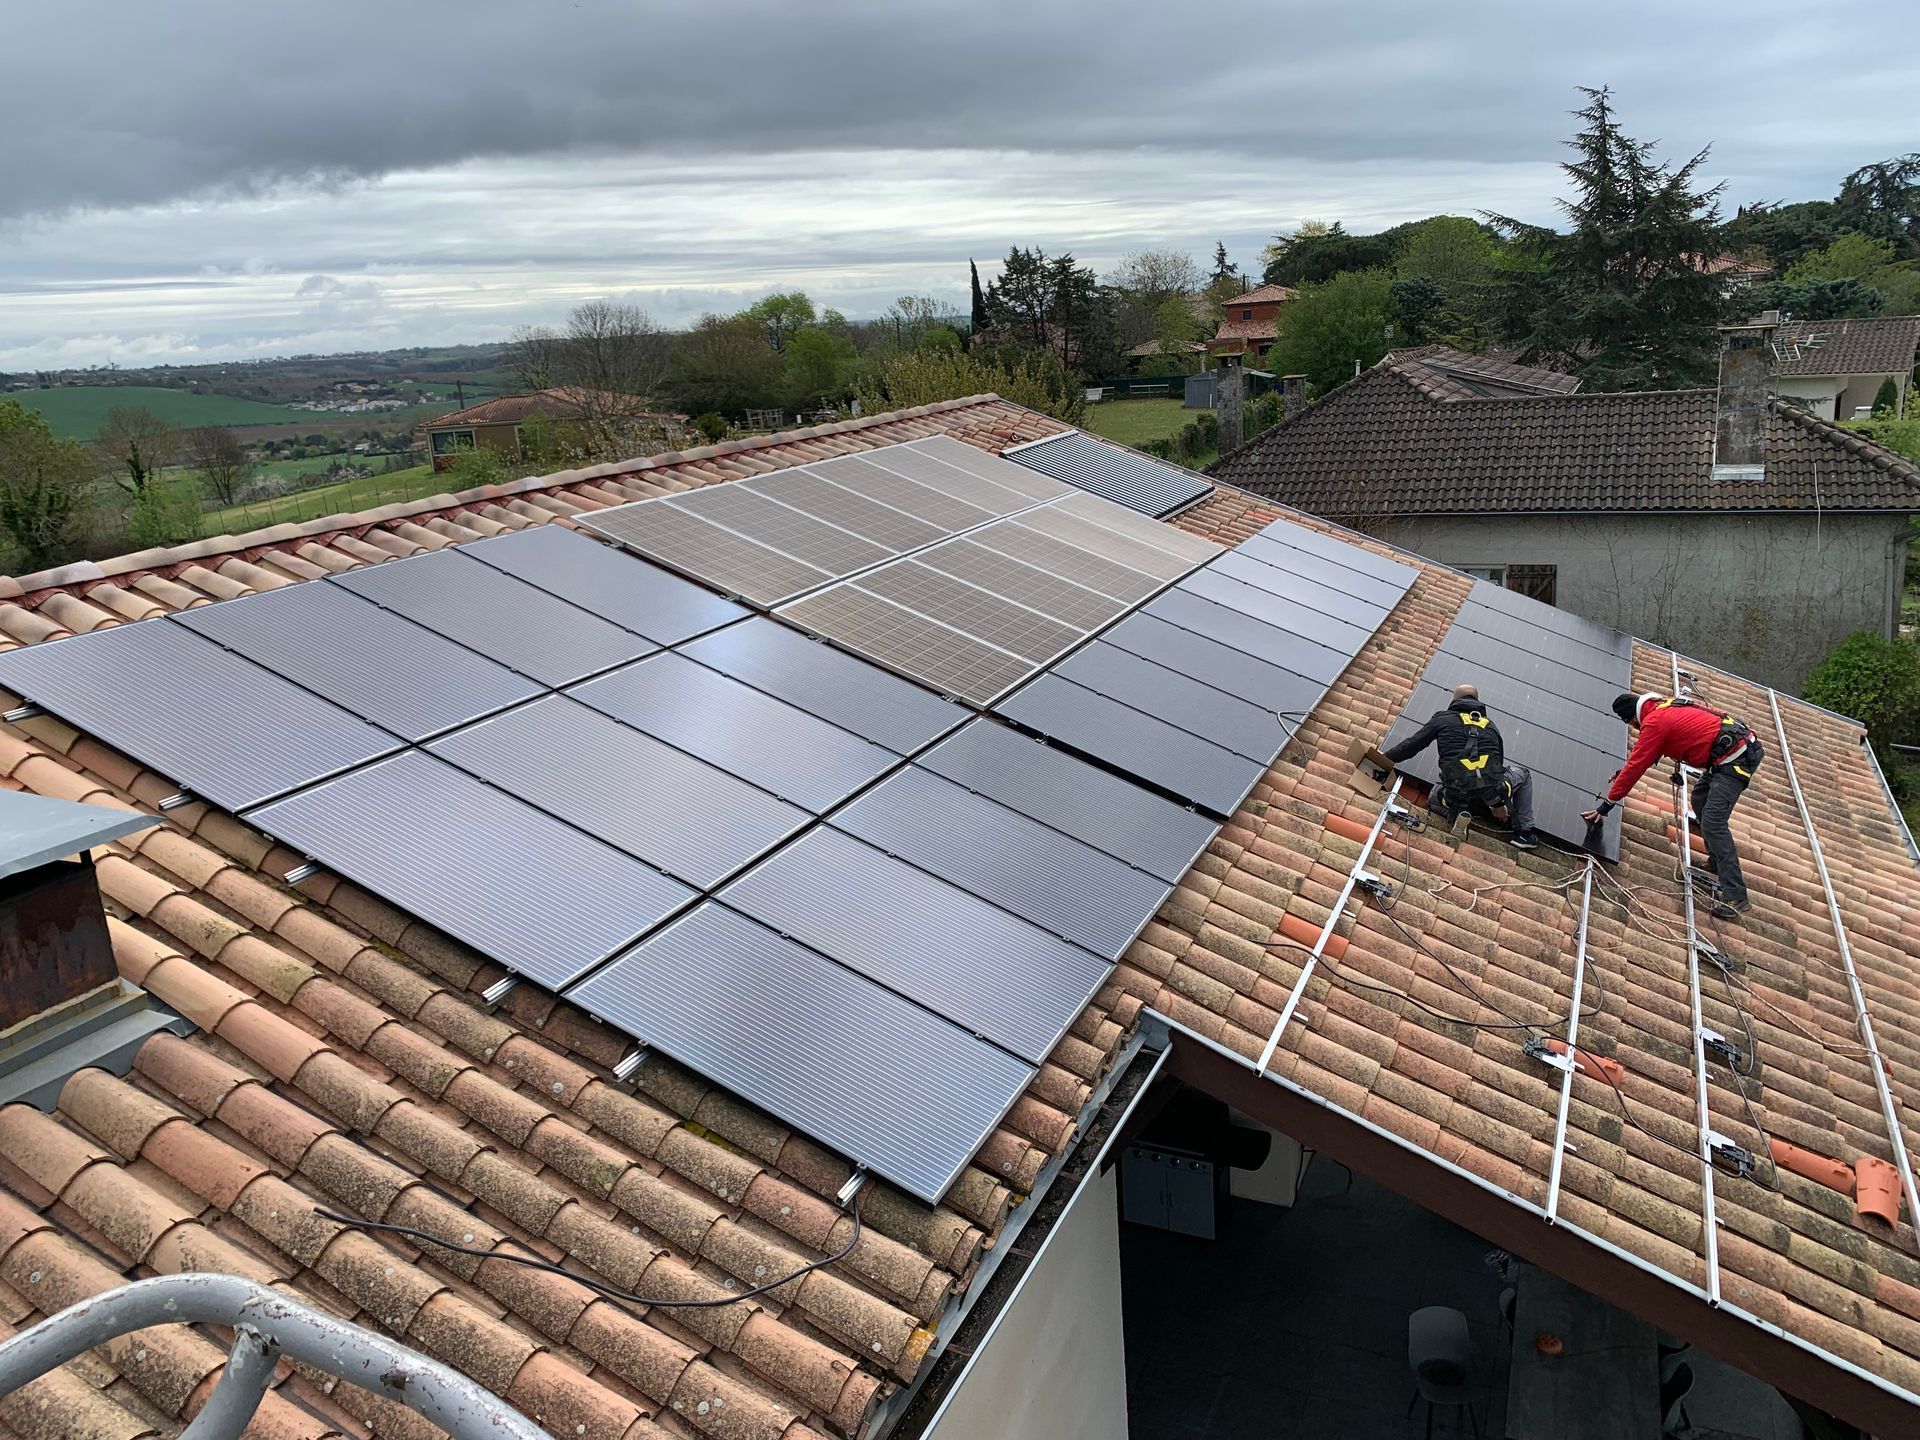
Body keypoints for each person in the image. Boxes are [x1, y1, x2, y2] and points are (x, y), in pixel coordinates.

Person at [1581, 691, 1762, 920]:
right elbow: (1644, 755)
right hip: (1727, 753)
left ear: (1633, 719)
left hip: (1735, 759)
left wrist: (1605, 806)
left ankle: (1736, 895)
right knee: (1699, 800)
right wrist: (1622, 772)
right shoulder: (1661, 706)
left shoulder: (1655, 722)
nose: (1636, 730)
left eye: (1633, 726)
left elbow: (1638, 764)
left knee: (1714, 822)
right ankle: (1716, 862)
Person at [1384, 683, 1540, 848]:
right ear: (1477, 701)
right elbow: (1497, 767)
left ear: (1454, 700)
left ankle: (1460, 813)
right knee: (1523, 773)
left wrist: (1384, 759)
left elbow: (1411, 745)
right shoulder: (1491, 726)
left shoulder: (1442, 719)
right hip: (1493, 795)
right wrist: (1499, 803)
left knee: (1434, 796)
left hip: (1455, 795)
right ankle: (1524, 833)